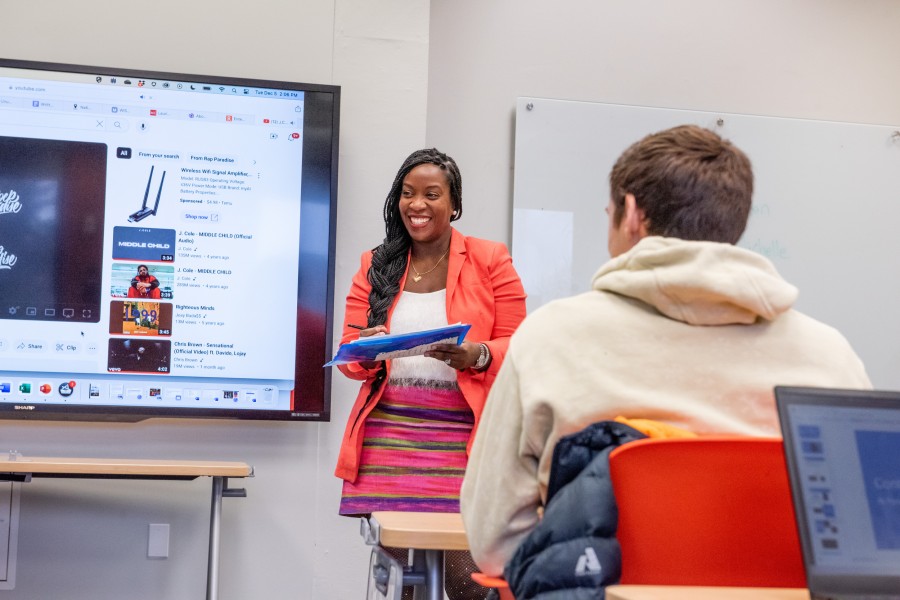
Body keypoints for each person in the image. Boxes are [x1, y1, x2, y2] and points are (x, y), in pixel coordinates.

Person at [460, 124, 872, 578]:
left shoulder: (550, 338)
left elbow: (494, 542)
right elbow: (866, 537)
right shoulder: (829, 355)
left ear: (631, 213)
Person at [334, 148, 527, 599]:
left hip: (466, 442)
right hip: (390, 444)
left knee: (466, 580)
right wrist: (368, 347)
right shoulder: (375, 263)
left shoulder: (490, 259)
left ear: (454, 203)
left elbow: (521, 345)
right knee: (405, 581)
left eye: (431, 194)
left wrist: (477, 355)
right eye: (407, 193)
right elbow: (348, 358)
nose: (416, 204)